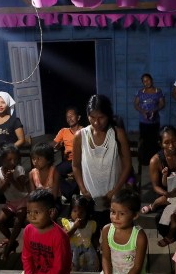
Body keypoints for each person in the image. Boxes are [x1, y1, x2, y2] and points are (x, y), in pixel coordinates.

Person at [72, 94, 133, 232]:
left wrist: (114, 191)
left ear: (108, 116)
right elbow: (75, 166)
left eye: (101, 118)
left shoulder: (117, 134)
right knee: (91, 234)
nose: (96, 122)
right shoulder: (80, 136)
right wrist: (83, 189)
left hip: (113, 197)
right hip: (89, 198)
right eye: (92, 117)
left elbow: (127, 166)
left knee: (113, 232)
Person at [0, 143, 29, 261]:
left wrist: (12, 179)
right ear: (2, 160)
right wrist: (7, 181)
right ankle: (12, 242)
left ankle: (8, 248)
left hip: (23, 200)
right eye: (9, 159)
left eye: (15, 159)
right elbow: (1, 191)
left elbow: (22, 188)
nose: (13, 162)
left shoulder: (19, 169)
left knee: (18, 221)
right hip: (10, 202)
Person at [134, 73, 165, 166]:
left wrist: (155, 110)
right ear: (142, 83)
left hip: (154, 121)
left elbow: (162, 104)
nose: (146, 82)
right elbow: (136, 104)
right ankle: (144, 160)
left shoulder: (158, 91)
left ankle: (154, 160)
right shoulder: (140, 92)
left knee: (154, 140)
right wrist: (142, 111)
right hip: (143, 122)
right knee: (144, 140)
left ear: (152, 80)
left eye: (148, 80)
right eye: (144, 81)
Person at [52, 106, 83, 202]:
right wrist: (57, 145)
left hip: (82, 160)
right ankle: (68, 194)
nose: (69, 119)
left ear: (78, 117)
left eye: (72, 116)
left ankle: (72, 195)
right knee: (55, 171)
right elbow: (53, 144)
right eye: (67, 117)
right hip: (69, 160)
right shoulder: (63, 131)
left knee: (79, 172)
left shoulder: (84, 131)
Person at [61, 194, 99, 272]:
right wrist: (74, 227)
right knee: (74, 271)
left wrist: (98, 247)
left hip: (88, 252)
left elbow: (94, 238)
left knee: (89, 271)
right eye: (75, 211)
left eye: (81, 212)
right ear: (70, 211)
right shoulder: (68, 224)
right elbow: (64, 237)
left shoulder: (91, 224)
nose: (78, 214)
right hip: (73, 253)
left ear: (86, 212)